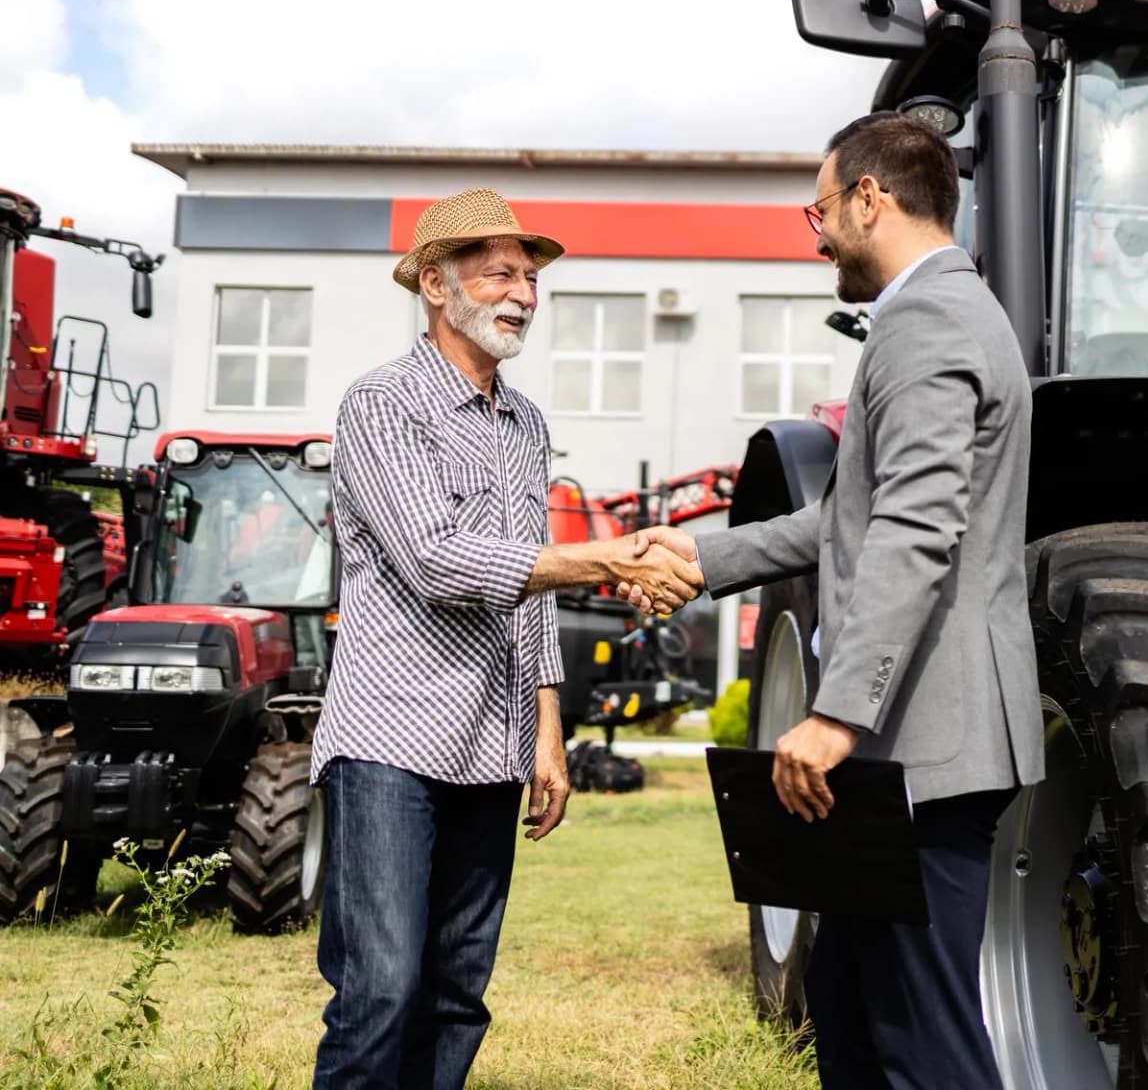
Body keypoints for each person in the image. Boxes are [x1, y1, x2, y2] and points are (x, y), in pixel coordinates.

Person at [625, 114, 1043, 1088]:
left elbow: (916, 531)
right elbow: (853, 520)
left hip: (925, 746)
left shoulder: (930, 321)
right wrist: (703, 555)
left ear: (870, 197)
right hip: (901, 751)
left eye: (818, 209)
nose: (814, 235)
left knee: (923, 1041)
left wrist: (835, 710)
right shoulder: (930, 315)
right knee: (850, 1007)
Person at [310, 188, 702, 1090]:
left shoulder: (526, 425)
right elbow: (440, 562)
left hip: (490, 750)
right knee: (379, 990)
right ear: (437, 288)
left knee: (458, 992)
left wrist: (548, 733)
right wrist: (609, 557)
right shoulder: (381, 405)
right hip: (389, 746)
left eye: (530, 278)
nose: (523, 294)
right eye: (500, 274)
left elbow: (526, 591)